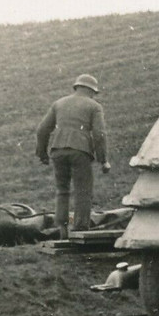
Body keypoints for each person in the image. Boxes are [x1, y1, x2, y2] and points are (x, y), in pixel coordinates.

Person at [36, 74, 110, 239]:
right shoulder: (94, 106)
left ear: (77, 87)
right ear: (91, 91)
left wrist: (42, 154)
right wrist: (103, 160)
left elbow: (42, 130)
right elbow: (99, 135)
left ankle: (62, 231)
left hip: (58, 150)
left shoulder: (59, 103)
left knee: (62, 191)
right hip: (80, 151)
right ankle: (80, 230)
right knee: (83, 191)